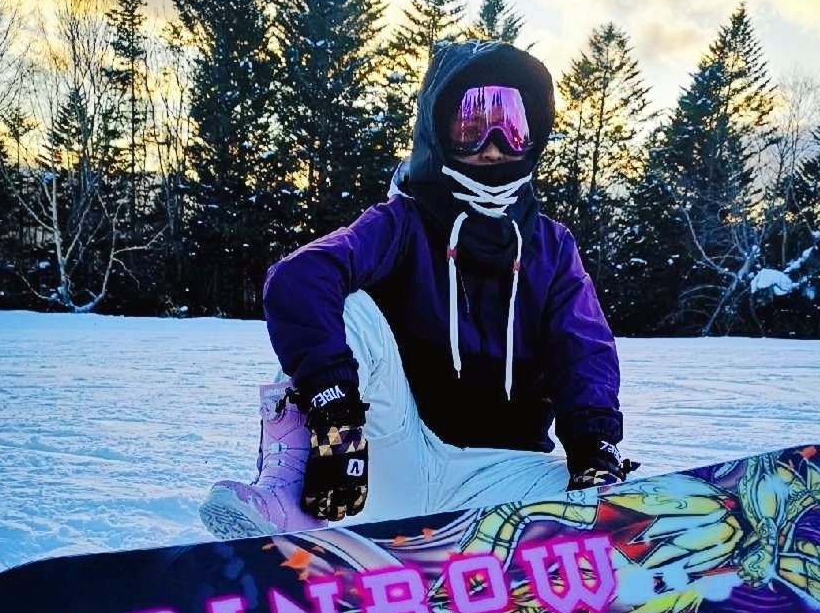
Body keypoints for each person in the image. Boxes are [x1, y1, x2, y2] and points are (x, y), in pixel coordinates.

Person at [199, 39, 637, 540]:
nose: (491, 143)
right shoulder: (401, 223)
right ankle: (289, 495)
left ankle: (598, 537)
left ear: (532, 135)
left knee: (606, 510)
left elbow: (583, 349)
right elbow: (299, 277)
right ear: (437, 129)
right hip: (395, 460)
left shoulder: (552, 248)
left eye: (510, 125)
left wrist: (593, 444)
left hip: (503, 480)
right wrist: (332, 399)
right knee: (347, 305)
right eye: (471, 123)